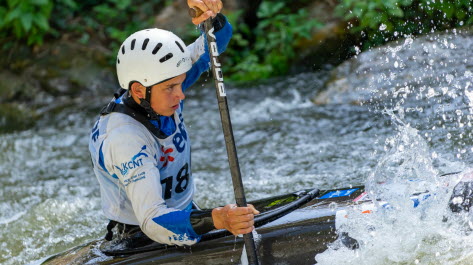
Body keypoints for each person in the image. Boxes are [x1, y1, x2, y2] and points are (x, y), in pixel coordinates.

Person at [89, 0, 259, 246]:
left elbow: (217, 39)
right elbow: (152, 220)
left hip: (184, 211)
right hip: (144, 235)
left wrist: (210, 17)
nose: (182, 95)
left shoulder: (160, 84)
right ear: (138, 90)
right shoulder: (124, 139)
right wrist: (219, 219)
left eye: (181, 83)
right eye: (171, 88)